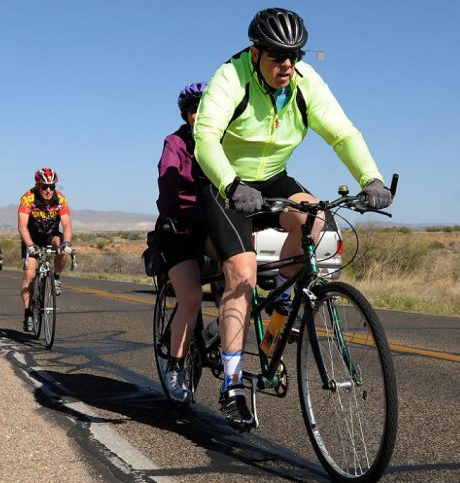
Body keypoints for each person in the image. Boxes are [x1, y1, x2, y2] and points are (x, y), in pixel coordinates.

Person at [193, 7, 393, 432]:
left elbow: (342, 132)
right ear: (255, 51)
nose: (288, 65)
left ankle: (279, 313)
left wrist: (370, 177)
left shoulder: (304, 83)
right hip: (225, 181)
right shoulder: (231, 77)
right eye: (278, 56)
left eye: (296, 55)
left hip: (273, 177)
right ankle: (231, 384)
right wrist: (231, 184)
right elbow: (205, 138)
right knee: (243, 272)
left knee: (316, 220)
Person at [155, 81, 216, 406]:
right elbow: (167, 178)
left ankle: (221, 330)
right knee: (191, 298)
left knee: (239, 268)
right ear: (186, 114)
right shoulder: (175, 143)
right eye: (194, 110)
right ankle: (175, 365)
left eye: (204, 109)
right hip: (177, 227)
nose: (199, 115)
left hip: (211, 224)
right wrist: (172, 213)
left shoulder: (223, 141)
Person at [18, 168, 74, 331]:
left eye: (51, 186)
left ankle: (55, 277)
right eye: (44, 187)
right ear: (37, 186)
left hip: (51, 235)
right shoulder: (28, 198)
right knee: (29, 274)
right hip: (32, 237)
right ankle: (28, 312)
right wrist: (30, 245)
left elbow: (67, 224)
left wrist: (67, 242)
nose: (48, 190)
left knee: (63, 249)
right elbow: (22, 226)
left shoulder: (60, 199)